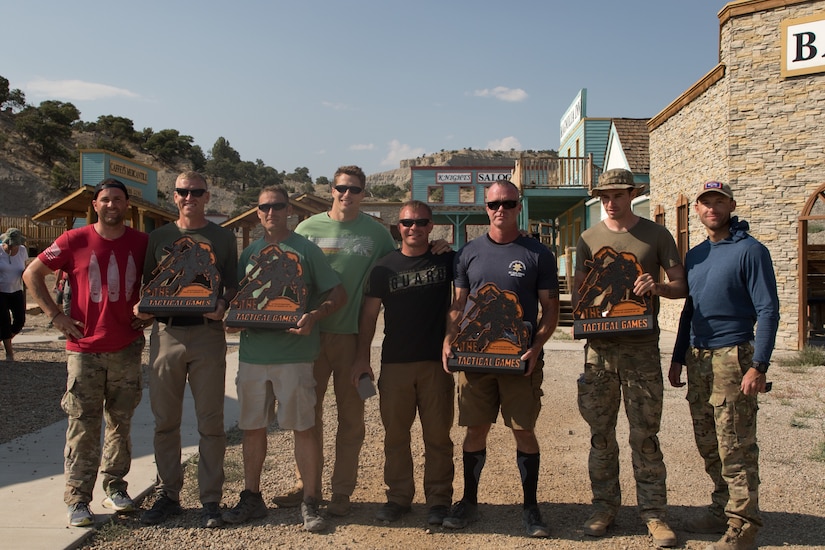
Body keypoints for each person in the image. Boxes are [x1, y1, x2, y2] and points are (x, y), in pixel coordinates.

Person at [271, 165, 397, 516]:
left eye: (355, 189)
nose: (347, 194)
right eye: (341, 187)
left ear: (364, 193)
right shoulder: (307, 229)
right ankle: (305, 485)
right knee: (306, 417)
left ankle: (341, 493)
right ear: (331, 190)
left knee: (351, 419)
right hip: (308, 337)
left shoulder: (377, 235)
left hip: (352, 339)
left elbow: (401, 262)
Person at [22, 179, 148, 527]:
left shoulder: (141, 243)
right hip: (84, 350)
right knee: (82, 425)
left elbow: (159, 282)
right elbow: (32, 273)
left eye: (118, 200)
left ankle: (115, 486)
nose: (111, 205)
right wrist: (55, 315)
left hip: (126, 346)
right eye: (105, 200)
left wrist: (150, 311)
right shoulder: (73, 240)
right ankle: (78, 498)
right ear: (95, 205)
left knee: (120, 424)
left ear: (127, 205)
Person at [221, 186, 346, 533]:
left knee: (304, 429)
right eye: (265, 207)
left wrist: (315, 316)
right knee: (252, 428)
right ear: (257, 212)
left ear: (288, 210)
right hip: (253, 355)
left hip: (295, 356)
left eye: (277, 206)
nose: (271, 212)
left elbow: (338, 291)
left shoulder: (305, 250)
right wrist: (227, 313)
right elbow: (239, 297)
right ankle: (251, 496)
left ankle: (310, 500)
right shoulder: (249, 253)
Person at [572, 168, 687, 547]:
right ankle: (604, 508)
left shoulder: (656, 234)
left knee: (646, 436)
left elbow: (680, 284)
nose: (611, 202)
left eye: (618, 194)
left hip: (641, 351)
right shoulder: (589, 239)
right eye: (604, 196)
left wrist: (658, 287)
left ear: (631, 194)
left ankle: (654, 515)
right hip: (600, 352)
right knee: (601, 436)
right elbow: (580, 295)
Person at [441, 180, 560, 538]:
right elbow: (460, 304)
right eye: (494, 204)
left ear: (517, 205)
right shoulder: (468, 253)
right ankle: (469, 501)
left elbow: (550, 309)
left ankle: (531, 507)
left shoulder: (537, 253)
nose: (500, 210)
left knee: (523, 430)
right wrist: (449, 338)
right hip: (476, 363)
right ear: (486, 208)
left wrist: (537, 347)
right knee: (475, 430)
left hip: (517, 359)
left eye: (508, 203)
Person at [669, 181, 779, 550]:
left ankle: (744, 526)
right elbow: (690, 309)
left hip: (734, 356)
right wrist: (677, 357)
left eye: (718, 202)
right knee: (709, 442)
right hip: (699, 357)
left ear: (730, 205)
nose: (711, 208)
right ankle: (722, 507)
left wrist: (759, 365)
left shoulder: (751, 251)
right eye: (705, 203)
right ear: (697, 210)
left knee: (736, 444)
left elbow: (768, 309)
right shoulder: (696, 255)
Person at [136, 171, 238, 529]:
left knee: (211, 422)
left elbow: (233, 283)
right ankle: (168, 494)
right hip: (167, 333)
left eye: (196, 192)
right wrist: (142, 306)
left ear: (207, 197)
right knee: (166, 421)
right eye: (182, 191)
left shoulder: (223, 238)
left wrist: (223, 303)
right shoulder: (160, 237)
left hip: (207, 335)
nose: (189, 197)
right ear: (174, 196)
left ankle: (210, 499)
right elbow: (149, 282)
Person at [352, 200, 456, 526]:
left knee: (437, 437)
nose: (414, 228)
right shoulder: (383, 268)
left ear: (431, 225)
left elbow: (484, 259)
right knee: (396, 437)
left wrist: (525, 235)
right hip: (395, 364)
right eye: (408, 223)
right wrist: (361, 359)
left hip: (435, 365)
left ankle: (439, 500)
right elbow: (369, 317)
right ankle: (398, 498)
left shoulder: (447, 260)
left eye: (421, 222)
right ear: (398, 227)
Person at [0, 227, 28, 361]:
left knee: (20, 320)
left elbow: (25, 267)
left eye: (14, 244)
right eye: (9, 244)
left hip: (16, 290)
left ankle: (4, 338)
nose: (11, 247)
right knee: (4, 321)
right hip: (1, 292)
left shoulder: (22, 250)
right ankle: (9, 352)